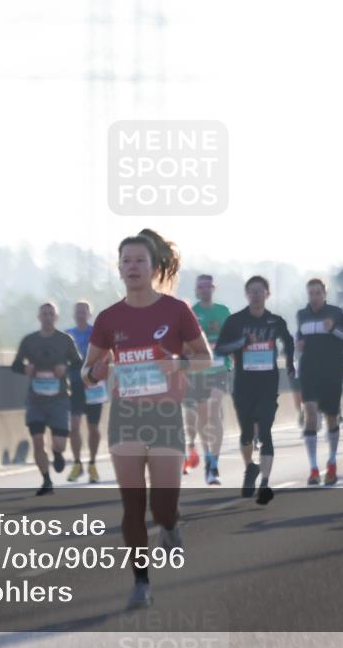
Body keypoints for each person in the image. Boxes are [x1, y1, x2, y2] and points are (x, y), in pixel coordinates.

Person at [81, 228, 211, 608]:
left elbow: (205, 359)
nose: (133, 266)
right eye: (126, 261)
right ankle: (141, 581)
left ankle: (169, 525)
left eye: (140, 260)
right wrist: (95, 372)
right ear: (118, 269)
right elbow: (86, 371)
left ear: (154, 267)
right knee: (133, 505)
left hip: (166, 416)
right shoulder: (108, 318)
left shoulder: (176, 311)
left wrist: (177, 363)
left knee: (162, 505)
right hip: (126, 416)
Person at [214, 275, 295, 505]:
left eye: (260, 291)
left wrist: (290, 364)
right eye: (252, 291)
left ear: (267, 294)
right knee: (246, 434)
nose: (256, 295)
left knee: (266, 430)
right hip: (243, 386)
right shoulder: (235, 321)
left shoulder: (275, 321)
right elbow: (220, 349)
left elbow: (288, 343)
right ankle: (250, 467)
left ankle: (265, 483)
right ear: (246, 294)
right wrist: (239, 344)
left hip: (268, 385)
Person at [10, 302, 84, 496]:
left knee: (59, 443)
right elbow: (15, 365)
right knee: (37, 441)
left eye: (51, 313)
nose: (48, 316)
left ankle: (58, 453)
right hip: (35, 399)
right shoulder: (29, 340)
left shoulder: (65, 340)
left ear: (56, 317)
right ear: (39, 317)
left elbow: (78, 363)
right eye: (44, 313)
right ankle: (46, 480)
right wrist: (24, 368)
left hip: (59, 398)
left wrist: (65, 369)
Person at [296, 279, 343, 486]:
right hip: (309, 372)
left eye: (317, 293)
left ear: (325, 294)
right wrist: (299, 343)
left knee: (332, 417)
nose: (314, 297)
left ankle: (331, 463)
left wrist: (333, 329)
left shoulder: (336, 313)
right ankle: (313, 468)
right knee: (310, 413)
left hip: (331, 372)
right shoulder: (302, 315)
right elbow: (299, 336)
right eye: (310, 293)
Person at [183, 274, 231, 484]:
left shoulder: (223, 312)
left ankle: (214, 463)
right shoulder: (191, 313)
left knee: (213, 410)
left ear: (213, 288)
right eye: (200, 287)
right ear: (196, 290)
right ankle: (208, 458)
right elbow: (184, 344)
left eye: (207, 286)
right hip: (199, 372)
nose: (204, 290)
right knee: (203, 417)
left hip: (219, 369)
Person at [65, 301, 105, 484]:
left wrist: (97, 371)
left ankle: (92, 464)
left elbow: (107, 355)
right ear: (74, 314)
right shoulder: (68, 334)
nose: (80, 314)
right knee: (74, 427)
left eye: (84, 311)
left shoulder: (96, 332)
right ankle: (77, 463)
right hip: (74, 385)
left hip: (94, 385)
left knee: (93, 428)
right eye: (77, 311)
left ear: (89, 314)